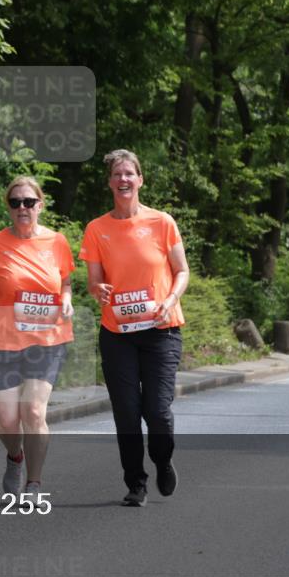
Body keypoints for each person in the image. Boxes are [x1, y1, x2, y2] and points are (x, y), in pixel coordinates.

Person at [79, 149, 189, 507]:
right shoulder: (97, 229)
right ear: (109, 182)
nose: (123, 180)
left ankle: (162, 459)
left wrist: (171, 299)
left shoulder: (162, 222)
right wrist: (98, 289)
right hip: (118, 335)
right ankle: (135, 483)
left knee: (156, 411)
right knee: (126, 412)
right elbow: (94, 281)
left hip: (161, 330)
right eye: (117, 174)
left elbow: (182, 270)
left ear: (140, 179)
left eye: (130, 174)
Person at [0, 176, 74, 500]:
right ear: (9, 208)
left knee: (32, 411)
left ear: (40, 206)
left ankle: (34, 483)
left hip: (46, 339)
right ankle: (15, 456)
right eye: (15, 203)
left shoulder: (57, 242)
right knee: (6, 420)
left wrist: (67, 298)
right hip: (1, 340)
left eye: (29, 202)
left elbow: (66, 282)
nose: (22, 208)